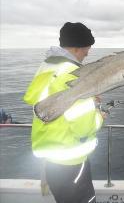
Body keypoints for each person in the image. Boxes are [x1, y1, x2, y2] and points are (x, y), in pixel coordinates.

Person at [24, 22, 104, 203]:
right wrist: (99, 116)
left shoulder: (48, 67)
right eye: (87, 47)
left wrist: (89, 99)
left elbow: (55, 104)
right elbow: (83, 127)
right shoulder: (75, 75)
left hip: (51, 160)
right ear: (77, 48)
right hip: (71, 162)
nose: (88, 52)